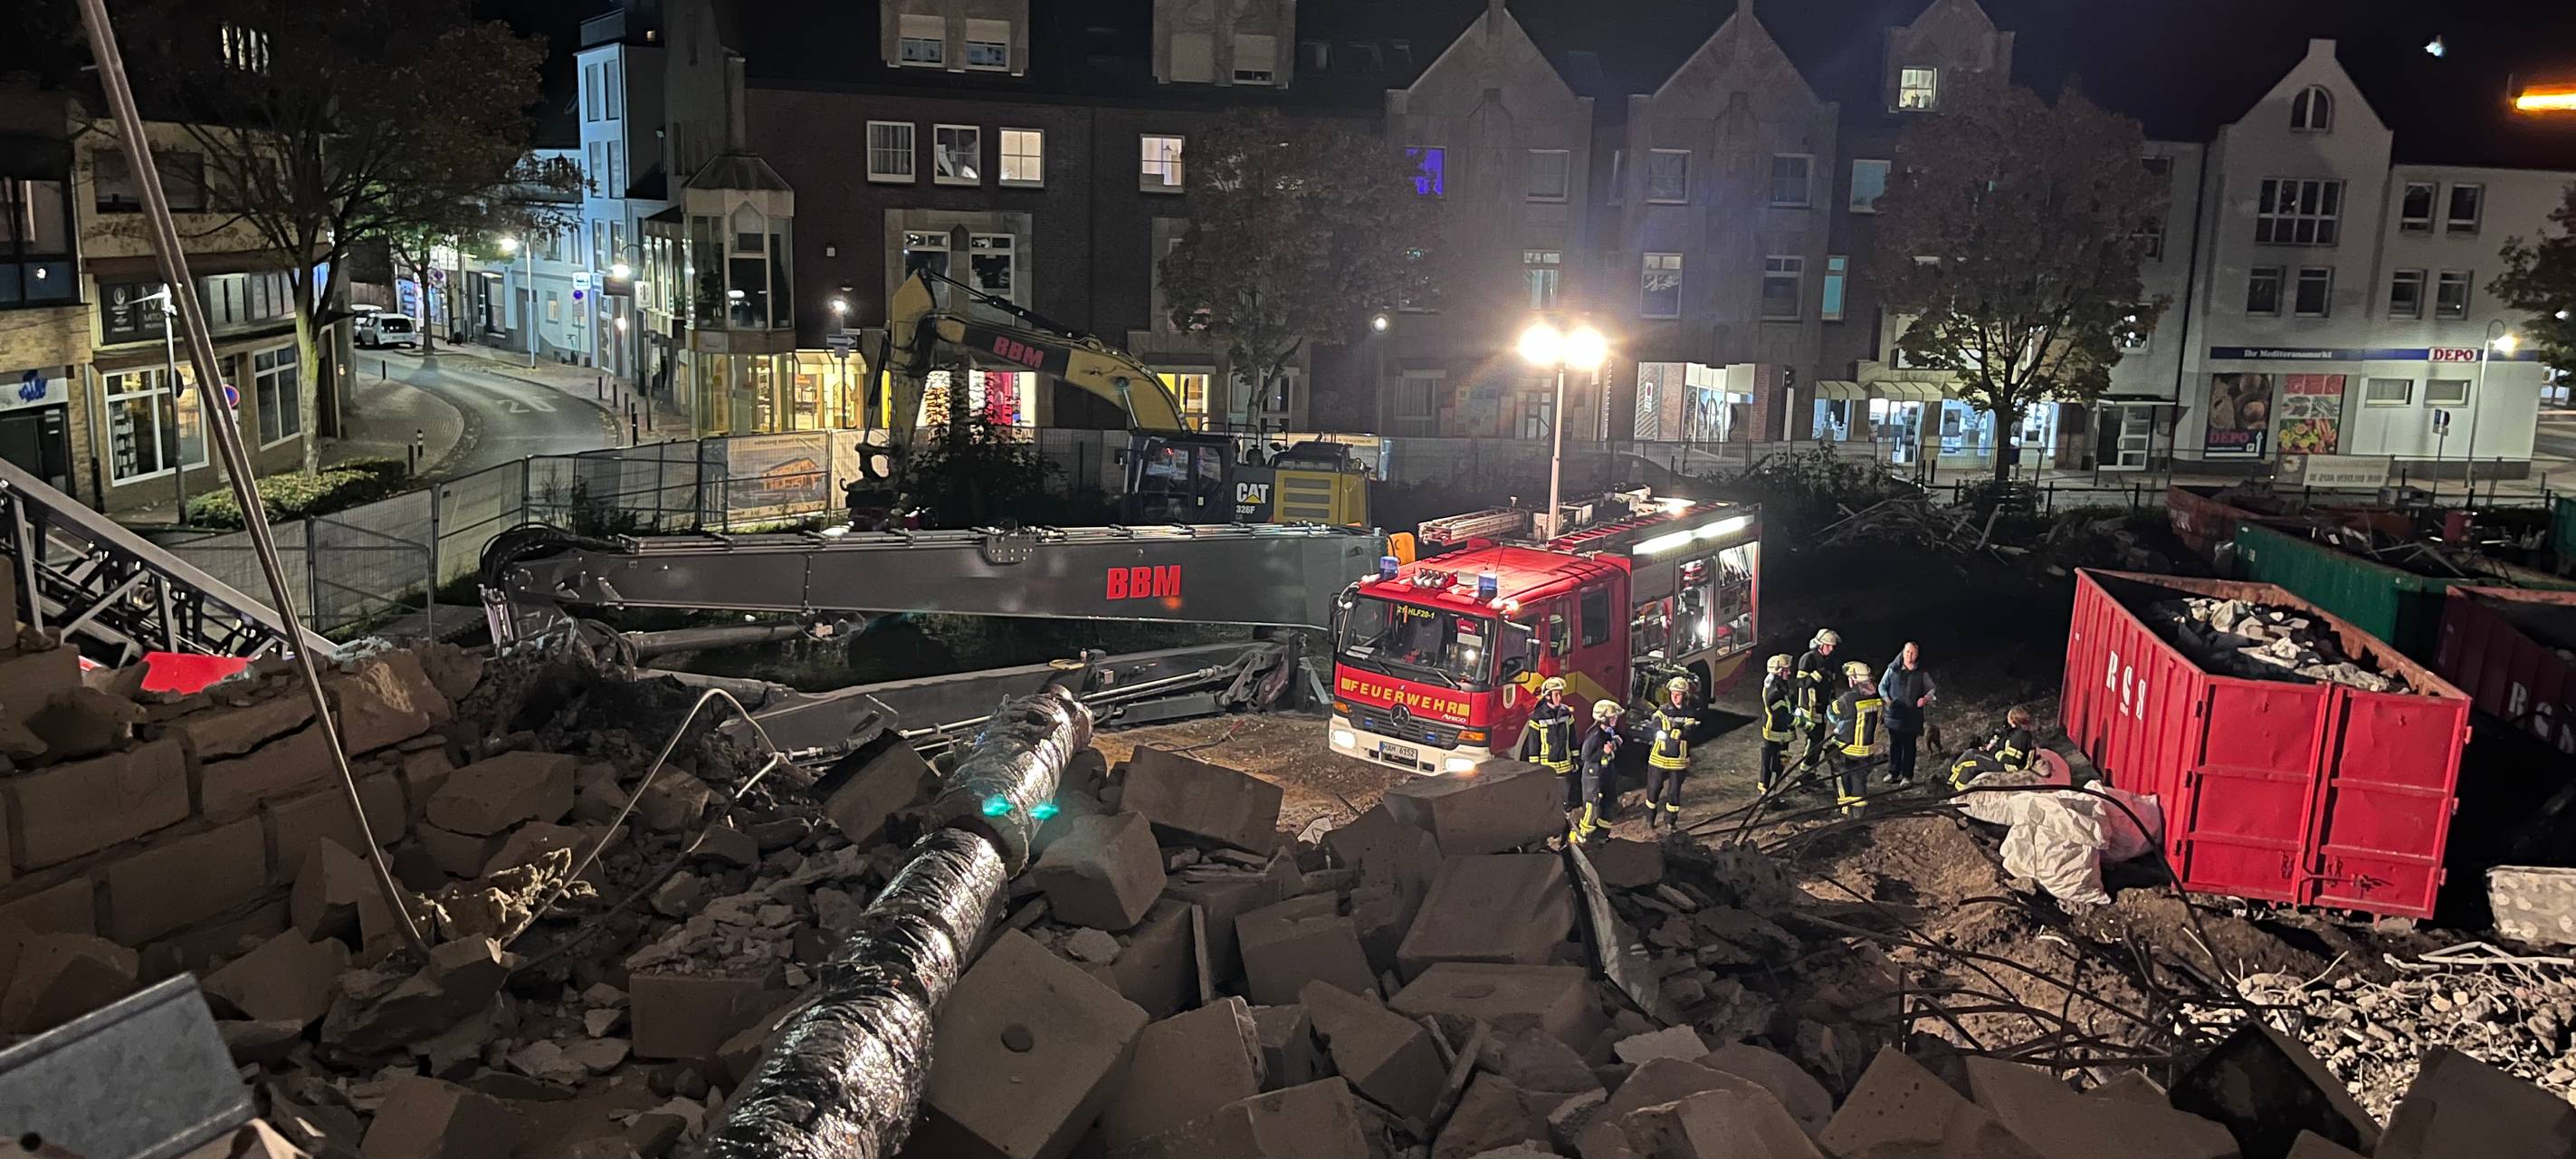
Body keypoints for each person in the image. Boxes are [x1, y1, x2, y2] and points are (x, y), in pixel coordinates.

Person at [1826, 660, 1885, 816]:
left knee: (1840, 775)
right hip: (1867, 751)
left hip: (1847, 750)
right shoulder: (1877, 695)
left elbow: (1832, 713)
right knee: (1859, 781)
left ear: (1853, 679)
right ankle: (1860, 811)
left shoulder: (1848, 698)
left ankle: (1845, 811)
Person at [1878, 642, 1935, 785]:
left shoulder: (1921, 672)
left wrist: (1925, 699)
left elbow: (1931, 689)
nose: (1910, 655)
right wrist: (1887, 700)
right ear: (1903, 652)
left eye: (1913, 653)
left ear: (1917, 655)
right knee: (1894, 745)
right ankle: (1893, 772)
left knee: (1909, 746)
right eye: (1907, 652)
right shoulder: (1893, 669)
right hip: (1894, 714)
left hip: (1912, 716)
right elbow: (1882, 686)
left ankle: (1907, 776)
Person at [1947, 705, 2039, 790]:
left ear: (2012, 719)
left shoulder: (2020, 736)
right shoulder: (2016, 731)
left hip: (2007, 766)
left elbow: (2012, 759)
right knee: (1969, 761)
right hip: (2004, 761)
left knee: (1971, 756)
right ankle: (1954, 784)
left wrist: (1994, 751)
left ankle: (1955, 785)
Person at [1520, 677, 1579, 809]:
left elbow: (1572, 738)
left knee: (1565, 802)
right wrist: (1535, 766)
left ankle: (1565, 825)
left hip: (1565, 766)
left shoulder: (1566, 714)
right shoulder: (1537, 717)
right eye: (1556, 694)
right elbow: (1534, 744)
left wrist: (1575, 758)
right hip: (1547, 767)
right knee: (1547, 801)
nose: (1559, 698)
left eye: (1560, 694)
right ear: (1548, 696)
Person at [1571, 699, 1623, 844]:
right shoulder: (1595, 734)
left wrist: (1614, 744)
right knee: (1591, 808)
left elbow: (1609, 752)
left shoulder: (1607, 732)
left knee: (1609, 804)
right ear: (1603, 718)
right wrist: (1603, 752)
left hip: (1605, 775)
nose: (1615, 720)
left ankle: (1601, 835)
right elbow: (1586, 756)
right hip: (1593, 777)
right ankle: (1582, 838)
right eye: (1613, 717)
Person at [1644, 676, 1693, 828]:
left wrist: (1681, 732)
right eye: (1673, 694)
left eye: (1679, 694)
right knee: (1653, 789)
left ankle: (1670, 821)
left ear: (1684, 696)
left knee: (1673, 792)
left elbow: (1691, 729)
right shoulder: (1663, 711)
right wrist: (1666, 731)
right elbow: (1656, 723)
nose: (1675, 697)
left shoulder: (1689, 713)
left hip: (1679, 760)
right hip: (1659, 758)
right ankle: (1649, 820)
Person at [1792, 629, 1841, 771]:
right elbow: (1801, 682)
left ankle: (1810, 771)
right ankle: (1806, 772)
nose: (1831, 649)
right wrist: (1816, 675)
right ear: (1820, 644)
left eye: (1833, 646)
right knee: (1814, 740)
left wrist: (1832, 700)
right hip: (1810, 708)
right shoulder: (1808, 659)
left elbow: (1830, 682)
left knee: (1818, 740)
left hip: (1823, 706)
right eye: (1828, 645)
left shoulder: (1829, 660)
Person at [1758, 654, 1797, 793]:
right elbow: (1781, 715)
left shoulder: (1780, 685)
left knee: (1780, 761)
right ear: (1778, 671)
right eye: (1786, 670)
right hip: (1775, 731)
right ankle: (1768, 794)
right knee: (1772, 763)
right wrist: (1798, 720)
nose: (1790, 673)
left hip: (1781, 732)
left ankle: (1772, 792)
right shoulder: (1775, 692)